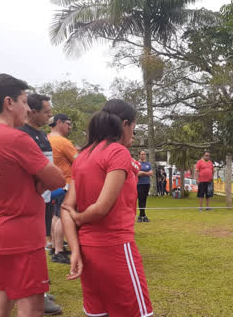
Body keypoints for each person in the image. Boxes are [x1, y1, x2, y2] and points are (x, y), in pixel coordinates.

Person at [0, 74, 65, 316]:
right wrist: (39, 183)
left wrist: (35, 183)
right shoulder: (16, 139)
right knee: (31, 304)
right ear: (8, 102)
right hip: (20, 233)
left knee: (2, 299)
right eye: (24, 102)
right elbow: (57, 179)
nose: (27, 108)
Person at [61, 99, 153, 317]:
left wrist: (74, 250)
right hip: (116, 248)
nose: (133, 134)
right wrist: (81, 218)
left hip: (87, 250)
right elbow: (101, 207)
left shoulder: (82, 156)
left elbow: (66, 208)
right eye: (134, 128)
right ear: (125, 124)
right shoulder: (117, 152)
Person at [18, 93, 63, 315]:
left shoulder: (42, 135)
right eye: (46, 112)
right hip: (32, 200)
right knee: (32, 248)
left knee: (41, 244)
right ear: (32, 111)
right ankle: (36, 294)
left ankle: (40, 290)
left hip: (45, 198)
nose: (50, 115)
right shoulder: (22, 134)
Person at [48, 113, 77, 264]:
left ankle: (54, 246)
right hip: (65, 184)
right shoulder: (63, 142)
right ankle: (59, 251)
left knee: (55, 216)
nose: (70, 127)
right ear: (59, 123)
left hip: (51, 185)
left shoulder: (47, 139)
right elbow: (78, 161)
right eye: (68, 124)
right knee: (61, 217)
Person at [137, 151, 153, 223]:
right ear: (139, 155)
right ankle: (142, 216)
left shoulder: (148, 164)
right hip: (139, 184)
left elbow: (151, 173)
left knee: (144, 199)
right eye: (142, 154)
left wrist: (143, 173)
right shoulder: (137, 163)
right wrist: (146, 173)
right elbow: (137, 173)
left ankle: (142, 215)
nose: (143, 156)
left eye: (144, 154)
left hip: (147, 183)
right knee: (140, 199)